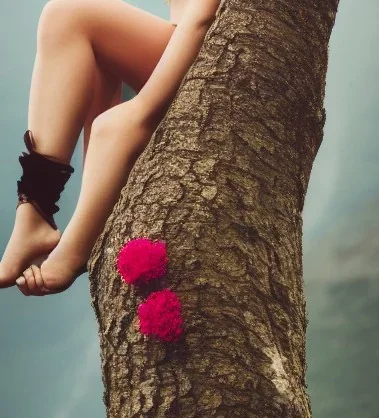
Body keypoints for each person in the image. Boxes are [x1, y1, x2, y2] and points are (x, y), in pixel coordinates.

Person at [0, 0, 219, 296]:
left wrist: (143, 111)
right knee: (81, 36)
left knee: (66, 15)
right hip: (192, 43)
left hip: (214, 56)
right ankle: (35, 210)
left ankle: (64, 230)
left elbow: (203, 16)